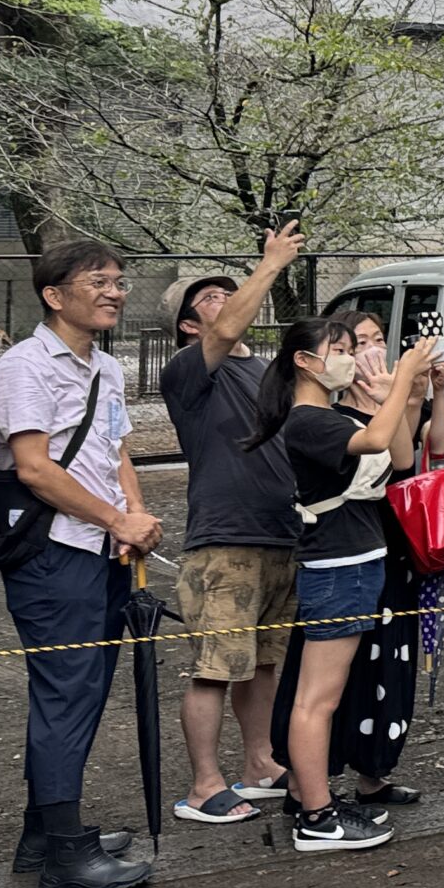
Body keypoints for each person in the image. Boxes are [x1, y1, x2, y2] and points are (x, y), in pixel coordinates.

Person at [0, 239, 156, 888]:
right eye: (99, 281)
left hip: (104, 548)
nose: (115, 291)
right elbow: (32, 467)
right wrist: (116, 520)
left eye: (118, 280)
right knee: (65, 694)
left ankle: (43, 834)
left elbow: (116, 452)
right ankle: (63, 851)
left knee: (82, 691)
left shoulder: (105, 369)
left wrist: (135, 517)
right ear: (55, 295)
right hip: (54, 553)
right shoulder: (23, 367)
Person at [257, 315, 434, 851]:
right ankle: (316, 815)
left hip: (356, 563)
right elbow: (377, 438)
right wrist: (403, 375)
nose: (349, 358)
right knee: (317, 700)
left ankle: (318, 807)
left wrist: (394, 395)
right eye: (338, 349)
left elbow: (399, 456)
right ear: (304, 362)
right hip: (338, 567)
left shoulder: (330, 414)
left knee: (322, 697)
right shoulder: (309, 419)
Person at [160, 225, 303, 827]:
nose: (226, 299)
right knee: (216, 667)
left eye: (229, 289)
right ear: (191, 326)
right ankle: (203, 784)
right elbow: (226, 330)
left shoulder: (266, 370)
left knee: (263, 662)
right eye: (210, 297)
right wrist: (268, 265)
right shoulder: (190, 371)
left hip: (281, 535)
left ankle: (261, 764)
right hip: (224, 541)